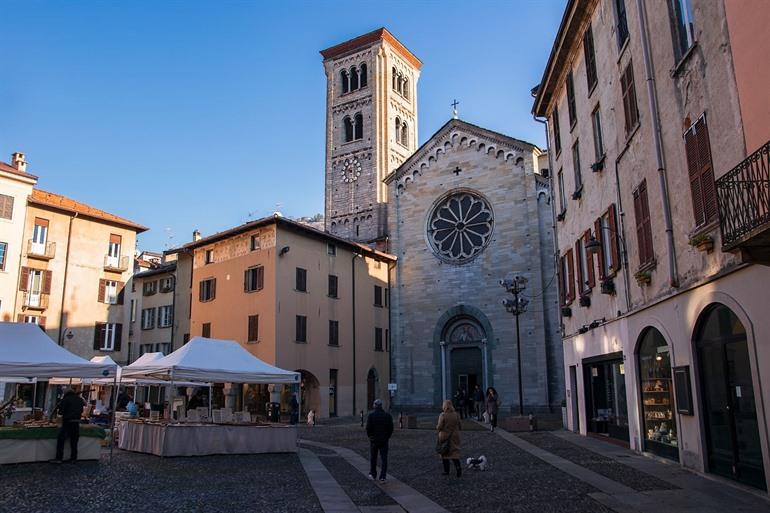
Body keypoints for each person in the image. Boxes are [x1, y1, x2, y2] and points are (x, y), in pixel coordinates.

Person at [50, 388, 85, 463]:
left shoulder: (66, 399)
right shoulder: (79, 399)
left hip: (68, 422)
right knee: (74, 441)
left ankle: (59, 458)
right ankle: (73, 458)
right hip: (76, 422)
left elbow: (61, 412)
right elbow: (82, 411)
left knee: (61, 439)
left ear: (65, 393)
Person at [365, 398, 393, 482]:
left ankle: (373, 474)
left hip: (374, 440)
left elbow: (368, 428)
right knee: (384, 458)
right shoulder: (387, 416)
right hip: (384, 440)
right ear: (381, 406)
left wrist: (370, 437)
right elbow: (391, 428)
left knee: (373, 458)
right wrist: (387, 437)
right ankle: (383, 476)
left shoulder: (371, 416)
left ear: (375, 406)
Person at [436, 399, 462, 477]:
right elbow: (460, 425)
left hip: (445, 436)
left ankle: (446, 471)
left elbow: (439, 427)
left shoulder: (443, 415)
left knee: (445, 453)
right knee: (454, 453)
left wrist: (437, 427)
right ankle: (458, 468)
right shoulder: (456, 414)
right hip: (454, 436)